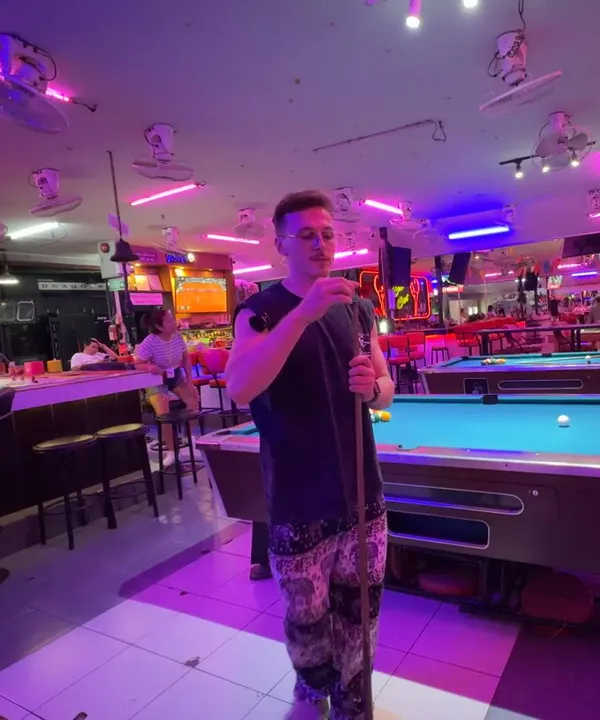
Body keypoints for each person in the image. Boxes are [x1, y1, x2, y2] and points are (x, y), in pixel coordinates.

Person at [226, 190, 395, 719]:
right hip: (298, 501)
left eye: (326, 234)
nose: (320, 244)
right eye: (305, 235)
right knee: (309, 624)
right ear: (281, 244)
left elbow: (386, 388)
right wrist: (302, 315)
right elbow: (240, 386)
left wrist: (374, 389)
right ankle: (311, 689)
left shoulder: (359, 308)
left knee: (360, 616)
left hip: (363, 494)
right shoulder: (259, 312)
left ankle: (353, 699)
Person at [133, 308, 200, 458]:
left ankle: (188, 437)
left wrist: (190, 382)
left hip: (175, 374)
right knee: (163, 413)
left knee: (193, 401)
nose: (174, 323)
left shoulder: (177, 336)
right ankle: (171, 451)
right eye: (170, 321)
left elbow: (186, 359)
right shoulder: (149, 342)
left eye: (173, 319)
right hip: (156, 379)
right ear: (159, 326)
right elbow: (137, 364)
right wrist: (150, 367)